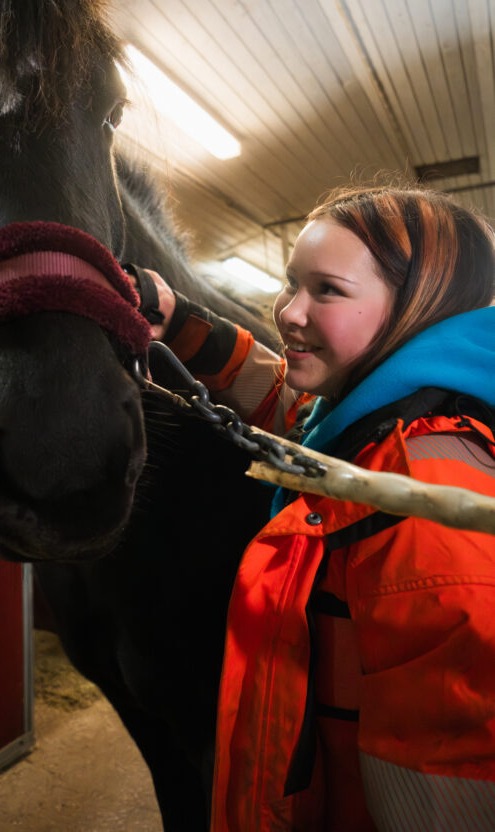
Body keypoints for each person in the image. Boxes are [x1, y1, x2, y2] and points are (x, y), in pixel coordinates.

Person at [132, 183, 495, 831]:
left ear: (417, 308)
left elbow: (444, 784)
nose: (288, 311)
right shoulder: (377, 416)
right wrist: (182, 324)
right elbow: (293, 415)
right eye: (290, 284)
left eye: (326, 290)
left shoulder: (425, 507)